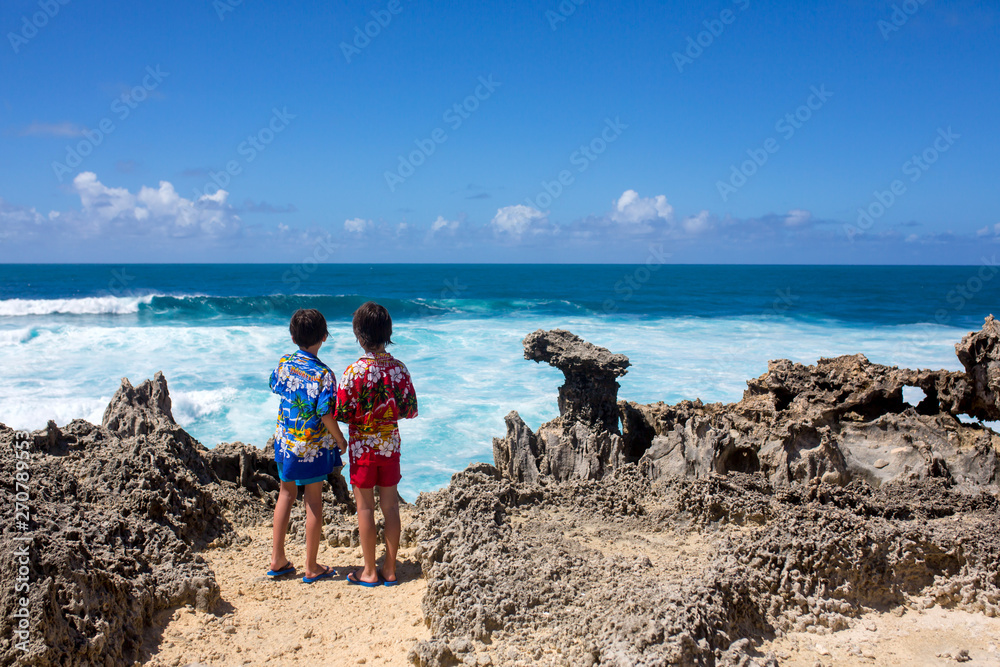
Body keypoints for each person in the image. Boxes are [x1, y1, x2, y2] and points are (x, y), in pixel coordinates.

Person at [337, 301, 418, 587]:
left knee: (365, 510)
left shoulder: (354, 372)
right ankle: (391, 568)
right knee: (391, 507)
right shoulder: (399, 369)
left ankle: (369, 570)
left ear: (359, 335)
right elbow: (409, 409)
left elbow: (342, 413)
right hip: (390, 448)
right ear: (388, 332)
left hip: (362, 450)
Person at [268, 308, 348, 584]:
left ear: (292, 337)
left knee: (285, 493)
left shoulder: (285, 364)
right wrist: (339, 438)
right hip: (312, 446)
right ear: (324, 337)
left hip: (286, 443)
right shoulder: (324, 375)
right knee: (313, 501)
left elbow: (274, 384)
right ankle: (311, 566)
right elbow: (326, 413)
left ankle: (277, 558)